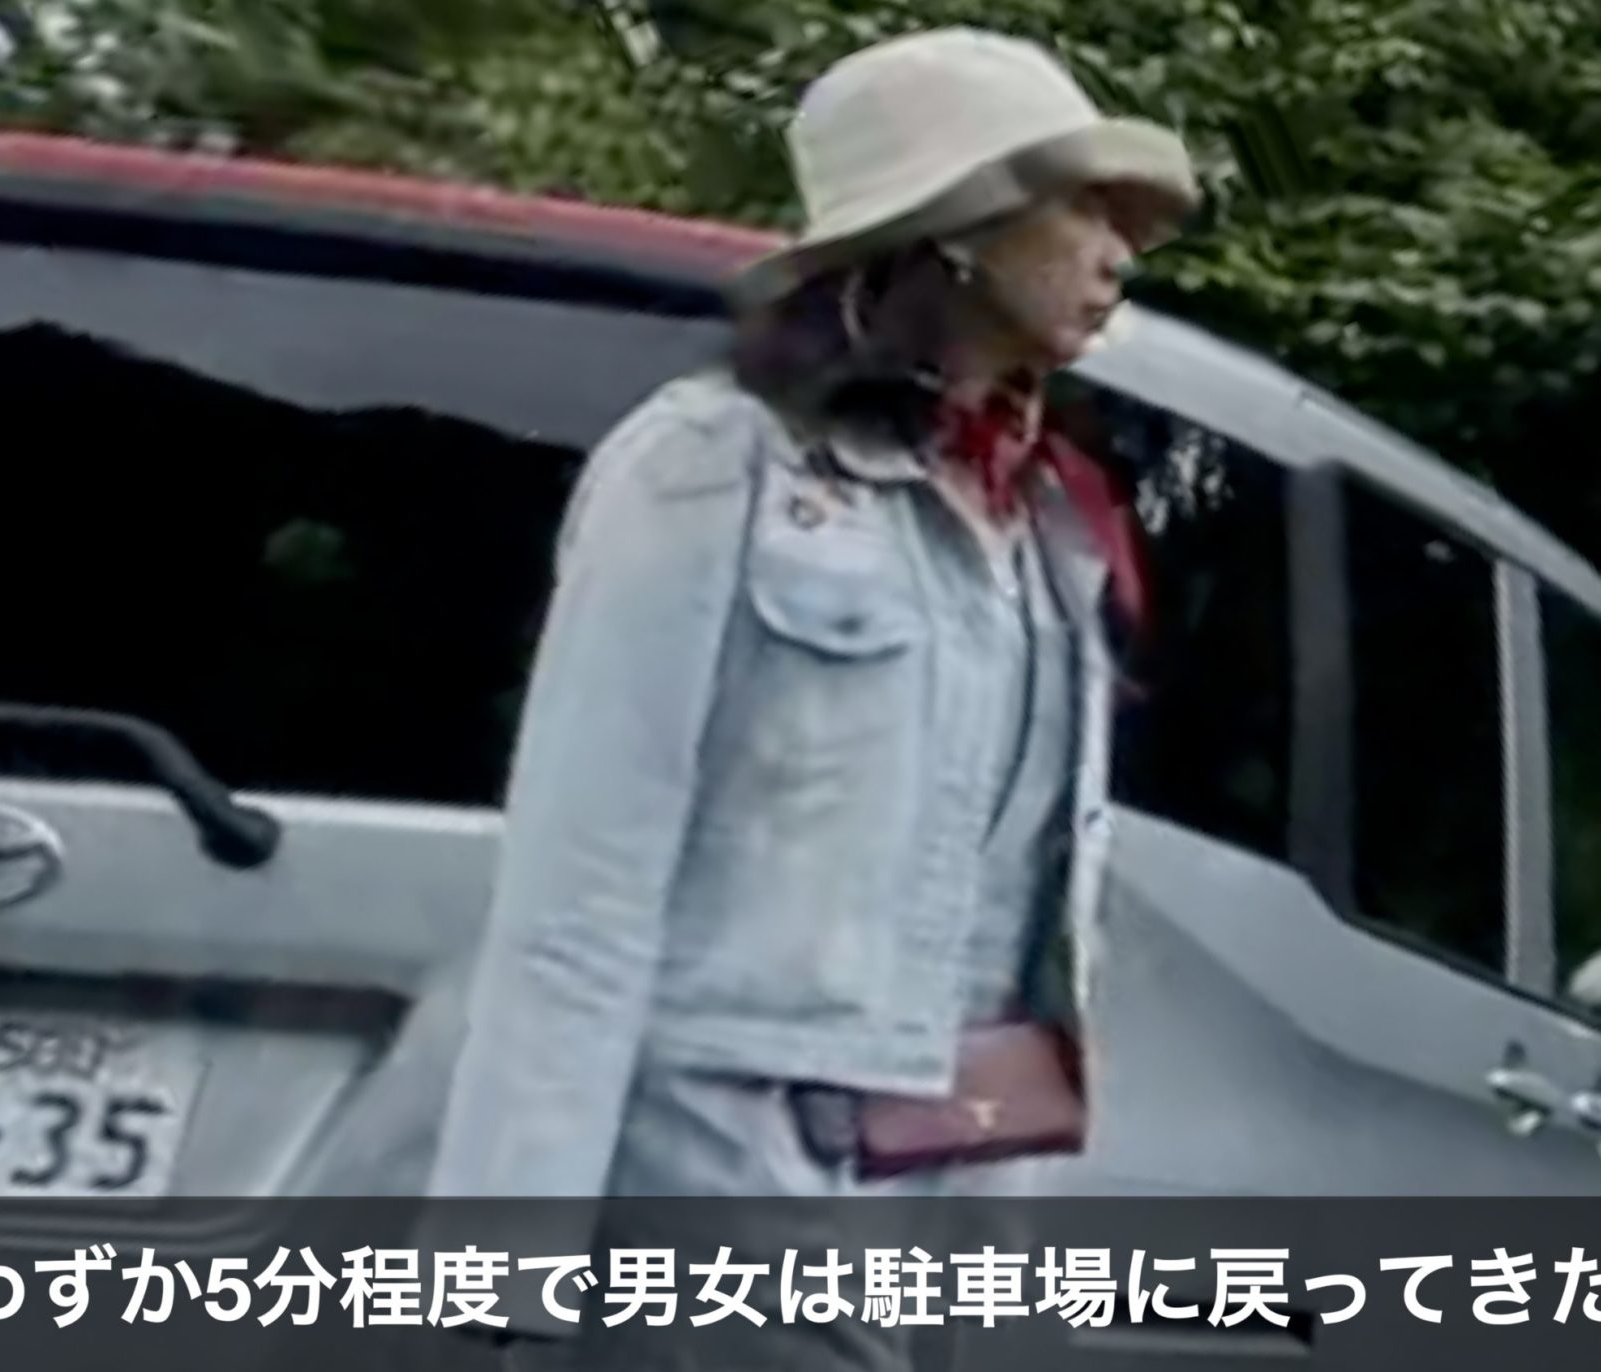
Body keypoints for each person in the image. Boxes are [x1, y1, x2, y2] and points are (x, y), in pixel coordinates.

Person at [426, 25, 1199, 1369]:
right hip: (724, 1165)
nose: (1117, 253)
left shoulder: (1050, 527)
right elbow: (580, 890)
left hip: (946, 1171)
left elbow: (1021, 905)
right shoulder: (710, 463)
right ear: (959, 228)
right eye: (1082, 208)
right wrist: (501, 1278)